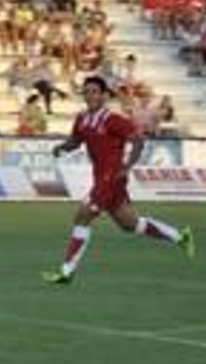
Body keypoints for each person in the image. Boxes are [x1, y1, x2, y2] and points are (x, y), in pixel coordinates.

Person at [43, 75, 194, 285]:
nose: (90, 96)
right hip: (101, 178)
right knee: (129, 224)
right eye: (86, 92)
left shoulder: (112, 119)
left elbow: (139, 140)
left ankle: (67, 272)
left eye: (94, 91)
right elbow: (76, 141)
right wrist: (62, 147)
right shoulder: (82, 118)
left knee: (82, 216)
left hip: (112, 178)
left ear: (104, 95)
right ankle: (180, 236)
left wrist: (127, 166)